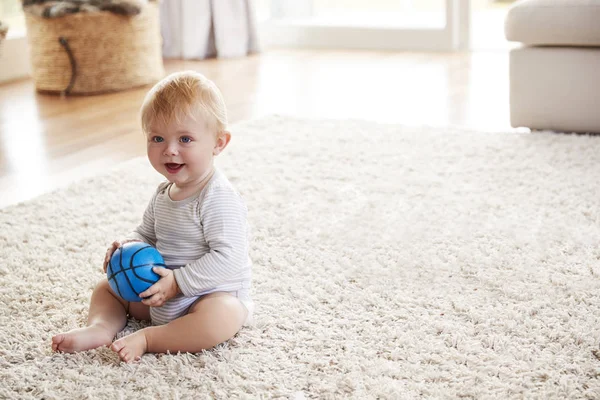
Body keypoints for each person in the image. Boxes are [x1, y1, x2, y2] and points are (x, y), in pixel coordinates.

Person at [51, 71, 253, 363]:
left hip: (204, 296)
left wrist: (178, 283)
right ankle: (101, 327)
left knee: (224, 315)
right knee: (108, 288)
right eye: (157, 138)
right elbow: (146, 234)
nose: (169, 150)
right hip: (161, 293)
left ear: (219, 143)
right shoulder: (163, 193)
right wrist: (127, 248)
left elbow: (229, 257)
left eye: (185, 139)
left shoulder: (218, 197)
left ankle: (149, 338)